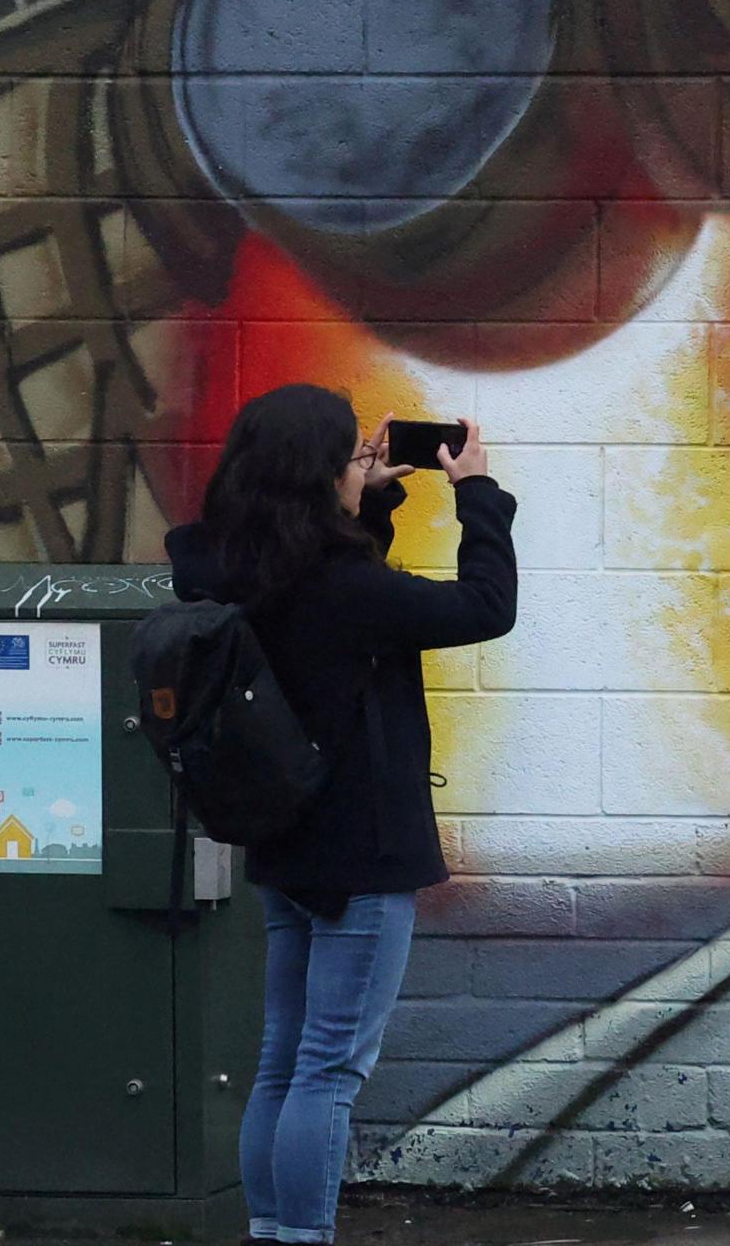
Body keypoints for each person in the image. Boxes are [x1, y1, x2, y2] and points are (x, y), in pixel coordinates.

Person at [166, 384, 517, 1246]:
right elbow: (484, 606)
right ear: (317, 475)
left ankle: (272, 1233)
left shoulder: (232, 565)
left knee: (283, 1062)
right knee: (329, 1070)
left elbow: (335, 583)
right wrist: (477, 493)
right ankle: (305, 1237)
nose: (364, 461)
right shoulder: (343, 586)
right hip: (360, 857)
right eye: (349, 456)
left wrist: (373, 494)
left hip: (285, 848)